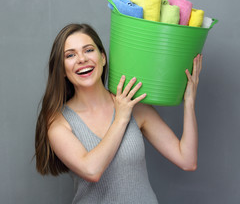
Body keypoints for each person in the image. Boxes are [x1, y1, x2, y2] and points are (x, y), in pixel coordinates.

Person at [35, 23, 202, 204]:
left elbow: (187, 160)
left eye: (88, 50)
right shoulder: (59, 123)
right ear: (63, 70)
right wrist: (121, 118)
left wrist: (189, 102)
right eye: (70, 55)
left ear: (103, 57)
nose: (81, 59)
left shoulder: (135, 107)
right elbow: (92, 170)